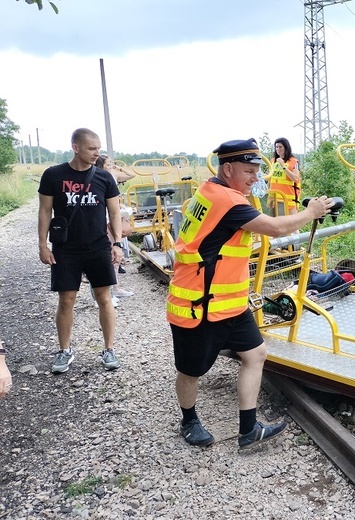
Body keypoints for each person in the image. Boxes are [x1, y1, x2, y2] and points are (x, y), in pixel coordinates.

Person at [167, 138, 333, 449]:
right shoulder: (226, 201)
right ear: (227, 169)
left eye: (257, 170)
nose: (255, 177)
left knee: (256, 355)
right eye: (248, 171)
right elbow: (276, 228)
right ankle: (188, 421)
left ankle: (248, 429)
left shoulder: (214, 190)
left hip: (228, 303)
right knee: (191, 372)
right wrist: (311, 212)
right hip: (198, 305)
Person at [38, 128, 123, 373]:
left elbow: (115, 212)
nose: (97, 153)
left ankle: (109, 349)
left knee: (104, 298)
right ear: (76, 147)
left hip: (97, 246)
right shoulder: (53, 175)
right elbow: (45, 211)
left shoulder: (104, 178)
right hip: (65, 249)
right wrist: (43, 245)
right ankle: (64, 351)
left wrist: (116, 243)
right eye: (91, 149)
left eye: (98, 148)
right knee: (66, 300)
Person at [95, 154, 134, 298]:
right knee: (109, 254)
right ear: (100, 166)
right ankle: (110, 291)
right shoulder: (98, 179)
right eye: (108, 164)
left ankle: (114, 288)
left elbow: (131, 175)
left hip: (111, 218)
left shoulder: (112, 176)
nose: (111, 166)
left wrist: (119, 167)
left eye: (112, 164)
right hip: (104, 220)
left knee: (114, 253)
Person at [268, 137, 301, 216]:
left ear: (286, 148)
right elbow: (269, 177)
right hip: (274, 199)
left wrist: (283, 166)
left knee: (292, 226)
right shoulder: (273, 161)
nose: (278, 149)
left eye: (280, 147)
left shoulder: (293, 161)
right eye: (276, 147)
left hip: (288, 200)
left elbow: (295, 178)